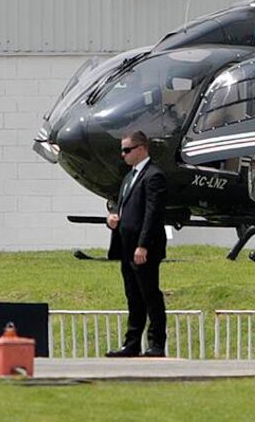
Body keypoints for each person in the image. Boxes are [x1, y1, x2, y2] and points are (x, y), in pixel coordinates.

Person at [105, 131, 168, 358]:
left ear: (141, 149)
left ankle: (156, 344)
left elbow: (153, 214)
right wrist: (113, 217)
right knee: (133, 296)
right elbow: (121, 205)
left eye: (127, 150)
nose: (123, 155)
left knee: (150, 295)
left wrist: (143, 245)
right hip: (126, 246)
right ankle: (131, 343)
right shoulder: (129, 177)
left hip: (143, 248)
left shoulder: (154, 176)